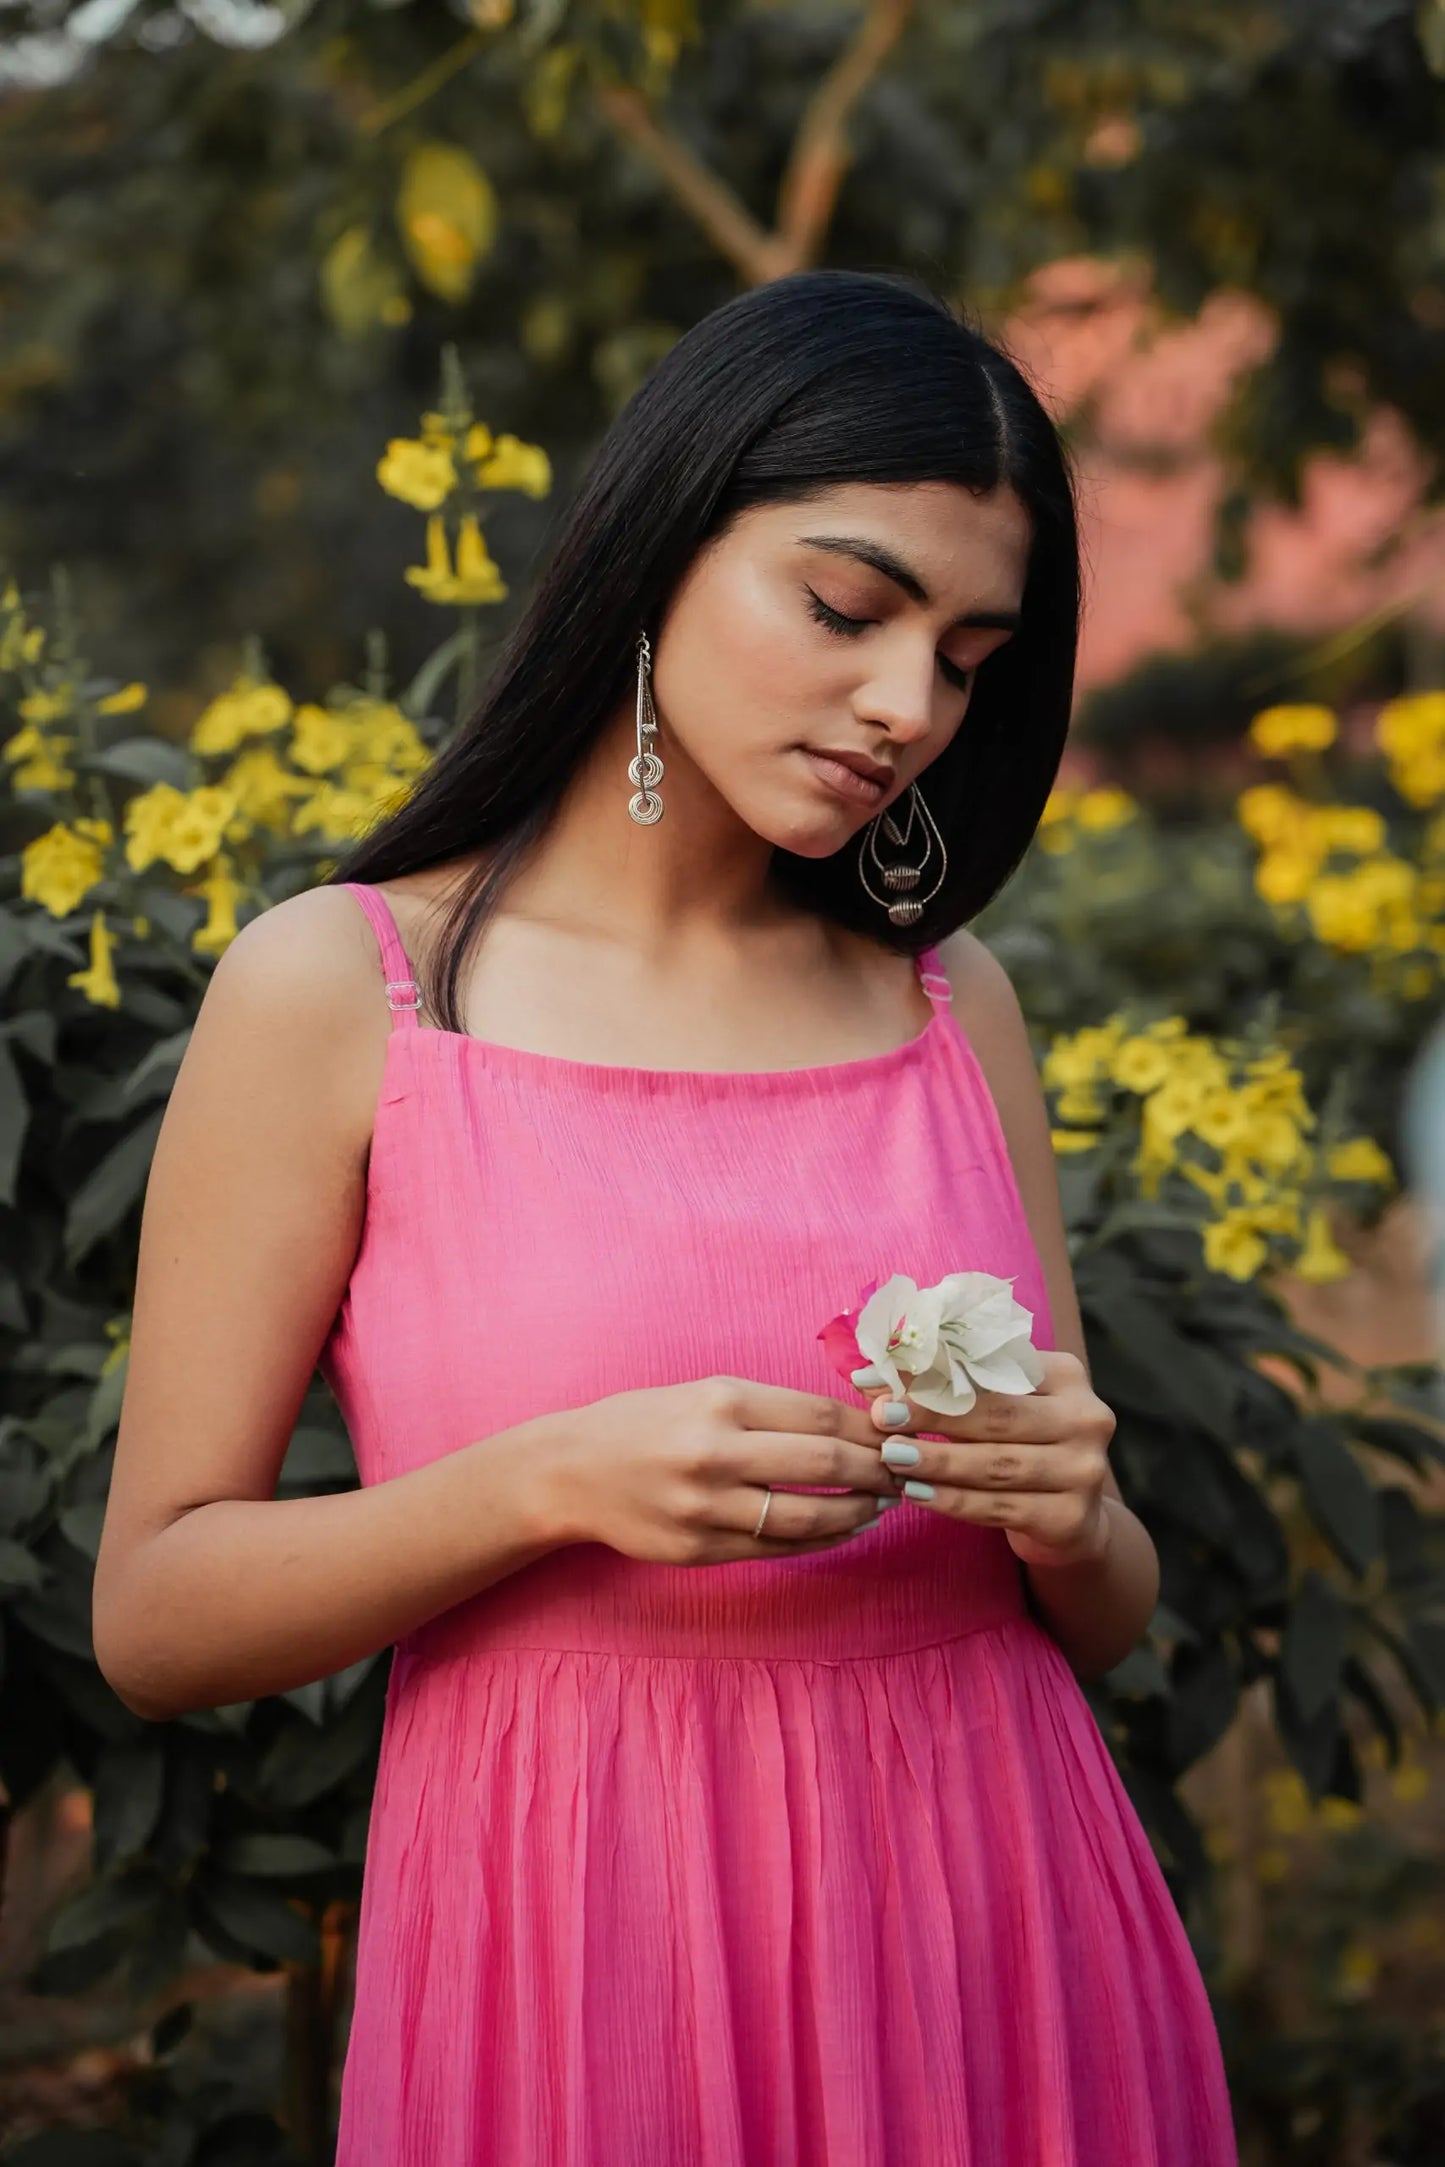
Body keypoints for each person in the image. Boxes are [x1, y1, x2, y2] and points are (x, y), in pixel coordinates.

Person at [93, 269, 1238, 2165]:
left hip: (1000, 1924)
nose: (905, 705)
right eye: (845, 608)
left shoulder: (948, 1007)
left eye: (964, 655)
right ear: (656, 548)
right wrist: (536, 1487)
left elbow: (1098, 1616)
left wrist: (1076, 1512)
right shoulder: (346, 991)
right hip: (584, 1947)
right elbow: (153, 1613)